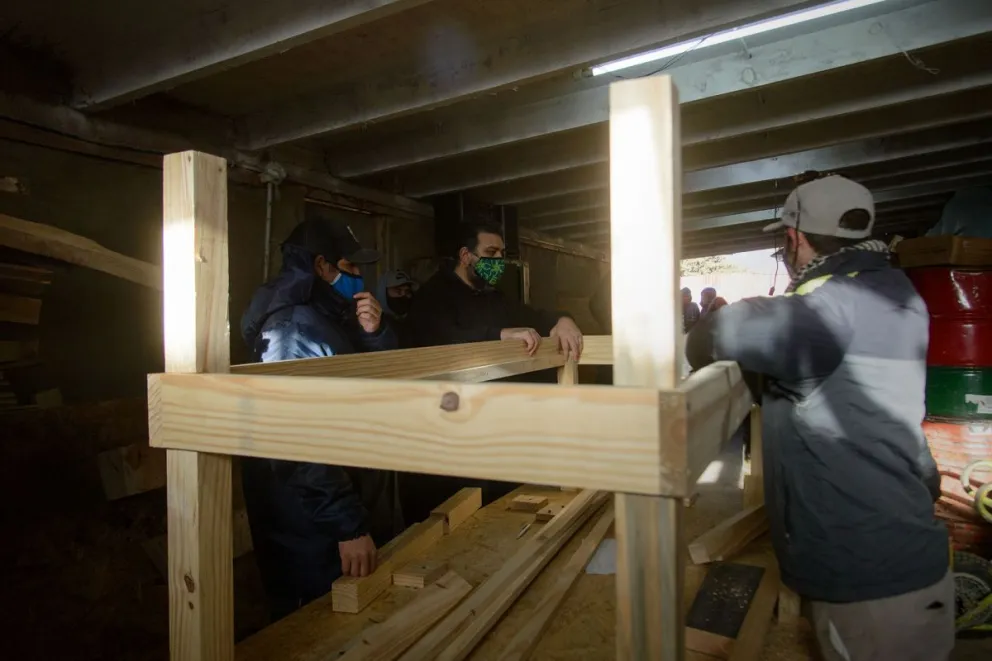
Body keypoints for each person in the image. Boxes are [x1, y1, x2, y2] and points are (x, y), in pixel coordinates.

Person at [686, 175, 950, 661]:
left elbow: (710, 338)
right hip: (904, 545)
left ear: (795, 238)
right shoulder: (896, 291)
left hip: (868, 579)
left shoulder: (826, 311)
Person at [240, 217, 403, 621]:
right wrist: (347, 526)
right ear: (320, 266)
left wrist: (374, 334)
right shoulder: (291, 333)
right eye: (350, 266)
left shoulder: (332, 320)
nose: (359, 275)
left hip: (343, 508)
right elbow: (295, 441)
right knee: (317, 626)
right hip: (311, 530)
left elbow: (378, 387)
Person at [408, 221, 583, 360]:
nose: (499, 259)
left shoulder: (494, 296)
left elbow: (534, 317)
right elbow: (442, 338)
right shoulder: (433, 295)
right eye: (491, 252)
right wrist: (501, 335)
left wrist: (563, 320)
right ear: (465, 256)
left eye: (501, 253)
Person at [375, 269, 418, 348]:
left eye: (407, 292)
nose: (403, 295)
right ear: (383, 292)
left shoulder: (413, 322)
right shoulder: (374, 326)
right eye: (398, 291)